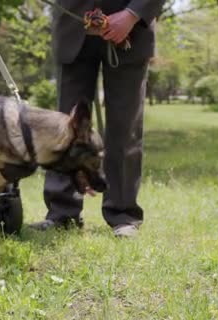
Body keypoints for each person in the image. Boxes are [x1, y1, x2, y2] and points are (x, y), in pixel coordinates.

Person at [30, 0, 165, 237]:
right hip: (72, 25)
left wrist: (133, 14)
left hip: (132, 31)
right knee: (65, 128)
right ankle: (62, 212)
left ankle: (123, 214)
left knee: (125, 128)